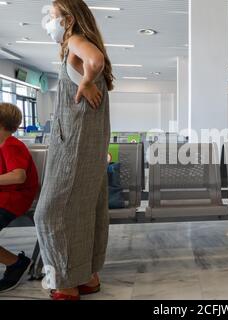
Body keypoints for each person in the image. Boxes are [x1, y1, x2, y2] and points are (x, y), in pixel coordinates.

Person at [35, 0, 113, 300]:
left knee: (49, 214)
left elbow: (94, 60)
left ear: (68, 20)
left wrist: (86, 82)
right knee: (85, 209)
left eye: (52, 17)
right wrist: (87, 80)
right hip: (87, 146)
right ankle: (88, 276)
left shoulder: (76, 41)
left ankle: (66, 282)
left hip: (75, 147)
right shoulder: (79, 44)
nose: (48, 23)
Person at [0, 103, 39, 293]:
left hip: (12, 200)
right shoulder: (4, 144)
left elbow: (18, 176)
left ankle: (16, 263)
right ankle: (15, 262)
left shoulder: (11, 145)